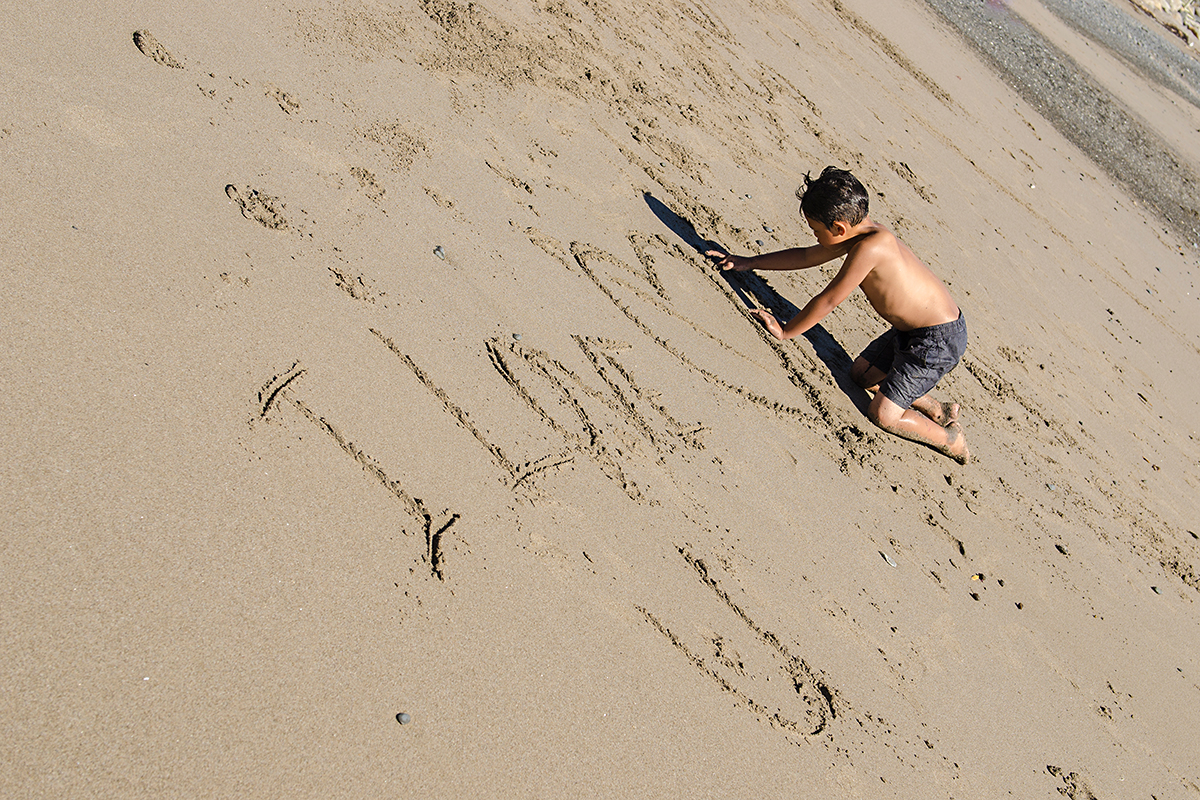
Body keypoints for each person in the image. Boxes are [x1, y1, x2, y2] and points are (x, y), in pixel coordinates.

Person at [708, 166, 969, 464]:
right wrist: (749, 262)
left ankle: (950, 438)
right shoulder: (863, 232)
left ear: (839, 228)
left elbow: (829, 299)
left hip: (936, 339)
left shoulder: (871, 248)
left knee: (883, 414)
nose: (816, 238)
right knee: (861, 375)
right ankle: (937, 408)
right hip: (910, 330)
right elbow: (807, 256)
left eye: (817, 231)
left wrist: (786, 330)